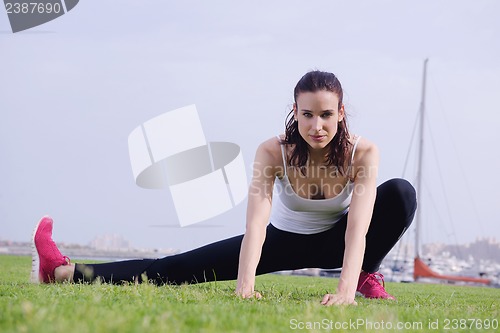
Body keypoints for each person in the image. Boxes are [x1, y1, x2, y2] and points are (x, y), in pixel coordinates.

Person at [32, 70, 417, 306]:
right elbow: (256, 226)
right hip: (280, 241)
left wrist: (346, 289)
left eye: (327, 114)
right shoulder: (272, 152)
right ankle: (63, 272)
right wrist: (244, 286)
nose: (318, 125)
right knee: (176, 268)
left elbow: (357, 229)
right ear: (295, 112)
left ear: (341, 113)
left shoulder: (362, 153)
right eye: (308, 114)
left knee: (400, 193)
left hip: (338, 240)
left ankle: (367, 276)